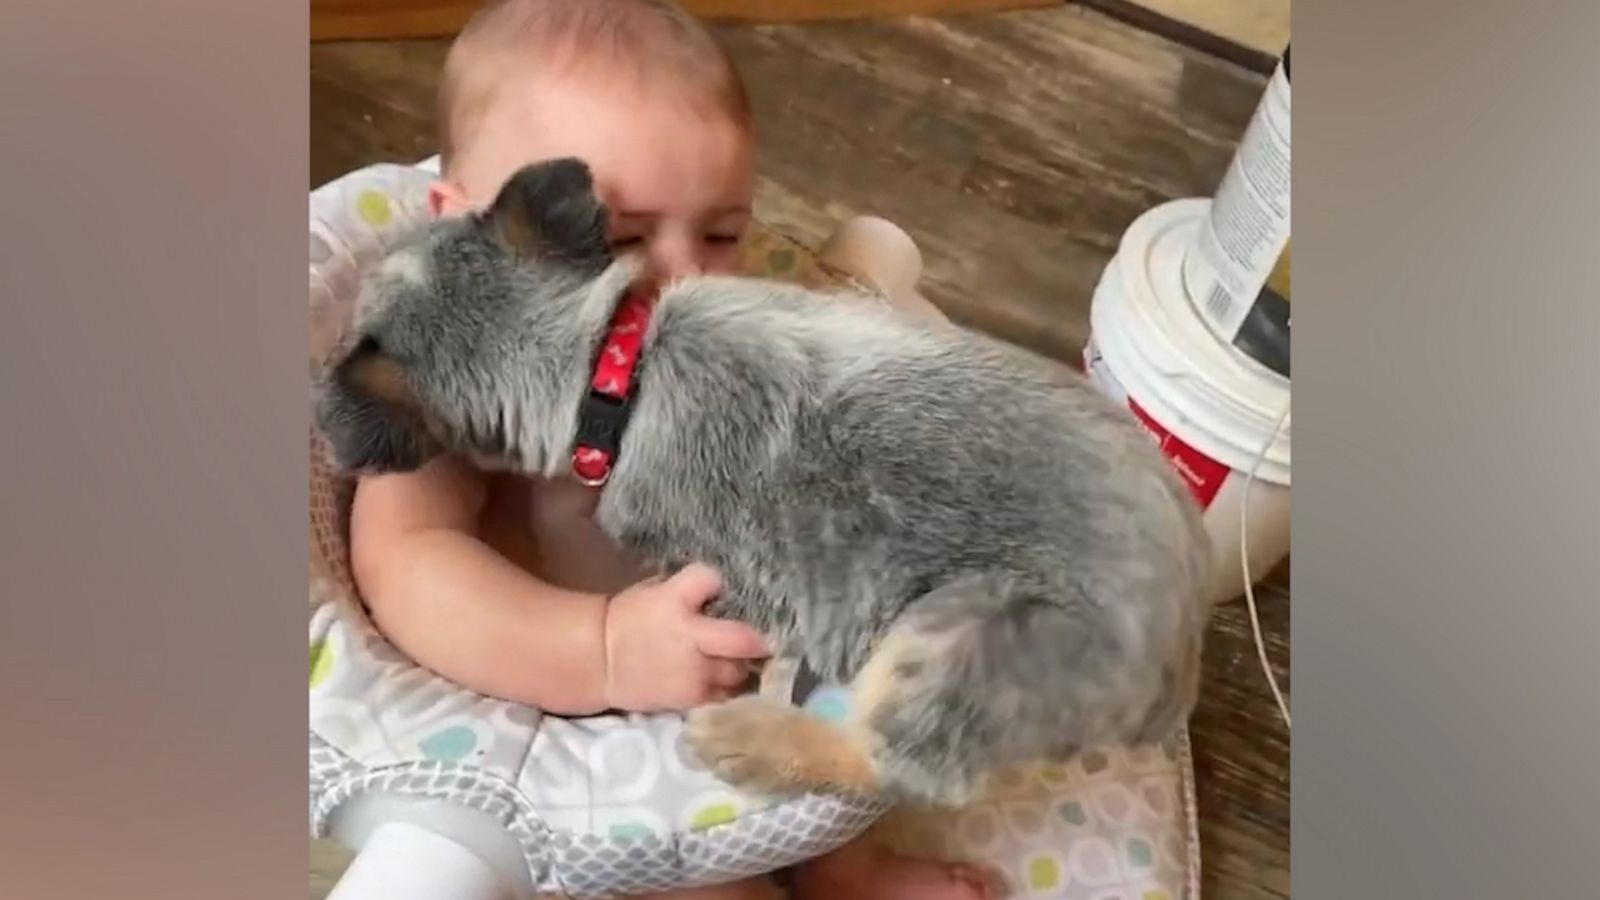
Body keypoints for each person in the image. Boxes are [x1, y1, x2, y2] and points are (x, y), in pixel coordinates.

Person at [350, 2, 986, 897]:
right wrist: (603, 648)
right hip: (565, 750)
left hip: (727, 669)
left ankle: (842, 869)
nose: (681, 277)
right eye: (618, 239)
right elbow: (406, 564)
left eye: (722, 233)